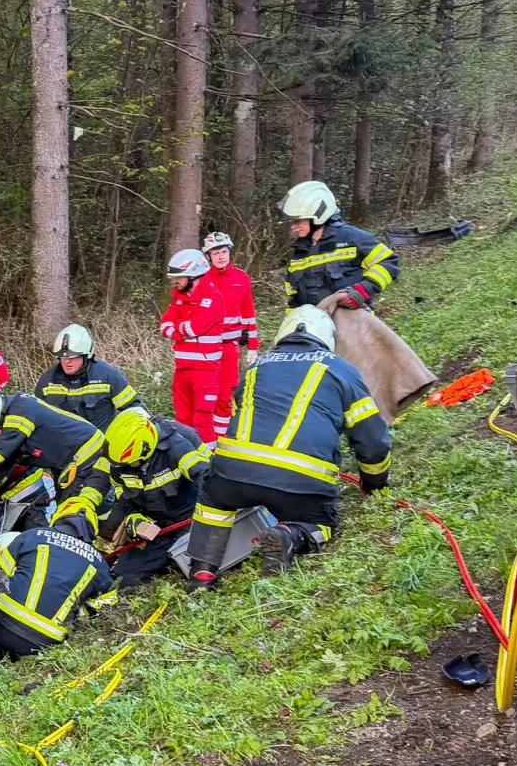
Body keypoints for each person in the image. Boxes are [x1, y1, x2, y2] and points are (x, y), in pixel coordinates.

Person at [185, 306, 391, 591]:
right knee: (321, 522)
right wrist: (374, 482)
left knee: (213, 501)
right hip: (300, 479)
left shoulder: (256, 367)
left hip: (233, 471)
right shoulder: (341, 370)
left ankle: (202, 575)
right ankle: (289, 535)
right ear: (326, 338)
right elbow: (372, 439)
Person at [0, 386, 111, 538]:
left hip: (88, 454)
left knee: (73, 513)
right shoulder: (13, 423)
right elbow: (1, 468)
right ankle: (103, 538)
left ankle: (91, 550)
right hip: (70, 463)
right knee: (67, 512)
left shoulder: (21, 411)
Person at [103, 407, 211, 587]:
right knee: (126, 576)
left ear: (146, 449)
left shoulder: (178, 447)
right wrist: (133, 516)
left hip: (191, 519)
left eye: (131, 463)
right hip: (156, 526)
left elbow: (206, 480)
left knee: (186, 562)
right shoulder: (119, 463)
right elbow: (123, 496)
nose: (127, 467)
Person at [0, 527, 114, 662]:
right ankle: (0, 655)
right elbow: (104, 609)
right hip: (43, 640)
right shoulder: (100, 564)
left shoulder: (33, 535)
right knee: (25, 649)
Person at [278, 181, 399, 312]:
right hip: (317, 327)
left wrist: (362, 291)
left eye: (298, 220)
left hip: (352, 324)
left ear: (319, 214)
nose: (293, 226)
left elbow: (389, 262)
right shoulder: (300, 252)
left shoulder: (351, 237)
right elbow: (294, 299)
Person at [161, 249, 226, 442]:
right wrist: (179, 330)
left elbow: (195, 328)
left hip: (205, 372)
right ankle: (187, 459)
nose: (176, 281)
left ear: (192, 274)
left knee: (202, 421)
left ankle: (208, 463)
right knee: (182, 421)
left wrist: (178, 329)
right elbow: (165, 324)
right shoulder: (179, 299)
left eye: (179, 277)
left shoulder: (213, 298)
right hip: (182, 370)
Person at [202, 232, 261, 440]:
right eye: (216, 253)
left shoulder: (241, 279)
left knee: (225, 396)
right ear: (208, 256)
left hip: (229, 348)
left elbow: (249, 313)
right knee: (204, 396)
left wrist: (253, 345)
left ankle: (220, 442)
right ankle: (204, 439)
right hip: (204, 350)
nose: (220, 256)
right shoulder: (200, 279)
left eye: (224, 252)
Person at [36, 323, 140, 429]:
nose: (67, 361)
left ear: (86, 355)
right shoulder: (47, 381)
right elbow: (35, 417)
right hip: (60, 444)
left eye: (73, 357)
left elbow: (135, 410)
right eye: (63, 357)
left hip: (99, 444)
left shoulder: (108, 376)